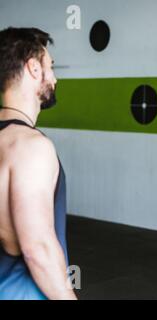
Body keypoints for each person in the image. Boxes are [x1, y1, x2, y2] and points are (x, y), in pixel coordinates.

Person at [0, 27, 76, 300]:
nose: (54, 78)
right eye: (50, 66)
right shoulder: (31, 146)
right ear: (33, 68)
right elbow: (38, 249)